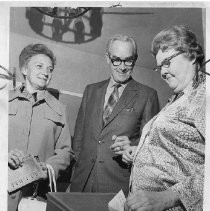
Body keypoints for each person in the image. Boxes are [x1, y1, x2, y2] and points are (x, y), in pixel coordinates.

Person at [123, 25, 206, 211]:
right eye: (160, 66)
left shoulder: (204, 94)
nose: (162, 72)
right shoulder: (179, 98)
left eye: (167, 62)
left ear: (191, 55)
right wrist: (140, 151)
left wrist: (168, 198)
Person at [69, 34, 159, 195]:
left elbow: (151, 146)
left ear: (135, 59)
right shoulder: (91, 90)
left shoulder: (148, 95)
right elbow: (79, 139)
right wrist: (76, 171)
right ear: (107, 58)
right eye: (116, 59)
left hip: (118, 186)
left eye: (128, 60)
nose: (122, 67)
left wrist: (132, 147)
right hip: (81, 183)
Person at [8, 44, 72, 211]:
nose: (46, 72)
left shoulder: (60, 109)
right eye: (39, 66)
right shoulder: (4, 101)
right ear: (24, 69)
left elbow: (65, 151)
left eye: (50, 69)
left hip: (35, 197)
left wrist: (50, 168)